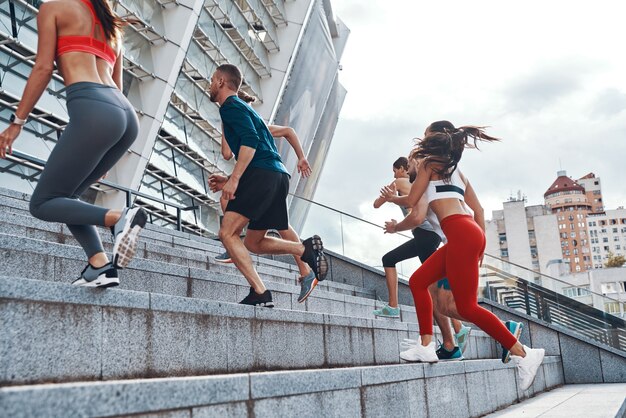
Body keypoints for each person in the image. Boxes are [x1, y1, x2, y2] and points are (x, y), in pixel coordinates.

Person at [389, 120, 545, 391]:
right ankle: (426, 344)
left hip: (461, 235)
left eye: (426, 138)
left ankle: (523, 354)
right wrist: (480, 246)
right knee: (418, 281)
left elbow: (412, 201)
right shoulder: (458, 172)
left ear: (433, 140)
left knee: (467, 307)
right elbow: (480, 210)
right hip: (468, 232)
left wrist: (392, 199)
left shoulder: (427, 165)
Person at [0, 0, 147, 287]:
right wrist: (104, 149)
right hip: (125, 118)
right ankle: (100, 265)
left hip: (94, 107)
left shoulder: (54, 8)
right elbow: (116, 87)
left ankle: (118, 218)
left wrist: (17, 123)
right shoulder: (112, 26)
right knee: (67, 197)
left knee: (43, 203)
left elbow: (42, 68)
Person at [207, 64, 327, 307]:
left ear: (221, 81)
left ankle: (260, 291)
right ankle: (304, 251)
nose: (210, 85)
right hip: (277, 175)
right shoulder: (244, 109)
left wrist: (235, 181)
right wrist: (231, 179)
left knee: (227, 232)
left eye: (212, 80)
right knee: (253, 242)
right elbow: (251, 145)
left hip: (261, 175)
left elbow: (250, 142)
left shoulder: (230, 106)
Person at [378, 155, 470, 360]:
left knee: (429, 288)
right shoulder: (423, 183)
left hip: (427, 236)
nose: (395, 174)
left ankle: (449, 333)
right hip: (429, 236)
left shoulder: (403, 182)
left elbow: (413, 211)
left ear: (404, 168)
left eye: (397, 169)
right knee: (429, 286)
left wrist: (395, 219)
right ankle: (451, 339)